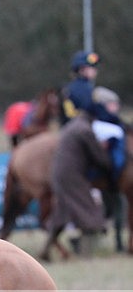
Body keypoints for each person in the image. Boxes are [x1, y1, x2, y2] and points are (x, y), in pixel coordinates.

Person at [43, 109, 112, 259]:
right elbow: (101, 159)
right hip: (72, 176)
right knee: (90, 213)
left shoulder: (73, 126)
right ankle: (84, 253)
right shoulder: (85, 130)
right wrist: (106, 152)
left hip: (59, 175)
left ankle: (45, 251)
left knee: (61, 213)